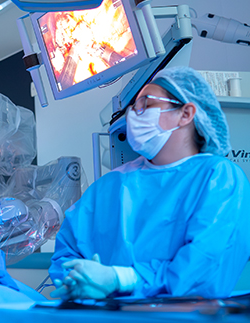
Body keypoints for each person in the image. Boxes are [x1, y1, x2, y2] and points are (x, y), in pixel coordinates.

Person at [49, 67, 250, 300]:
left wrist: (122, 278)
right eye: (134, 108)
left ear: (186, 113)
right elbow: (67, 253)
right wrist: (76, 281)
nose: (135, 115)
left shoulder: (218, 178)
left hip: (183, 320)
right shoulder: (110, 185)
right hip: (104, 319)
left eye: (146, 104)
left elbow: (204, 268)